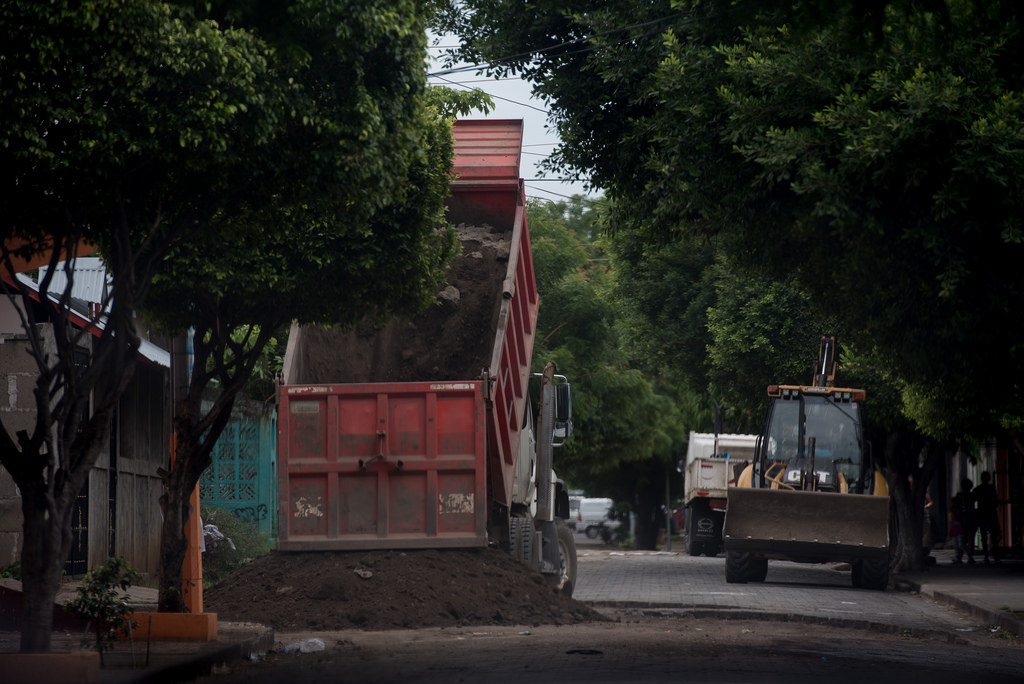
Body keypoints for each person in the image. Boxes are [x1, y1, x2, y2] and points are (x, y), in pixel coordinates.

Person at [973, 471, 1001, 564]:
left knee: (984, 535)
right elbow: (996, 501)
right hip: (990, 512)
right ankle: (994, 555)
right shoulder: (991, 488)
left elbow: (972, 501)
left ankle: (987, 555)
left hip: (983, 513)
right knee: (993, 534)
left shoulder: (978, 489)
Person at [950, 478, 976, 564]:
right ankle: (967, 556)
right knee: (968, 538)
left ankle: (961, 556)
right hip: (970, 517)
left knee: (962, 539)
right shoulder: (971, 495)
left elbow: (956, 506)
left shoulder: (960, 495)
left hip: (962, 518)